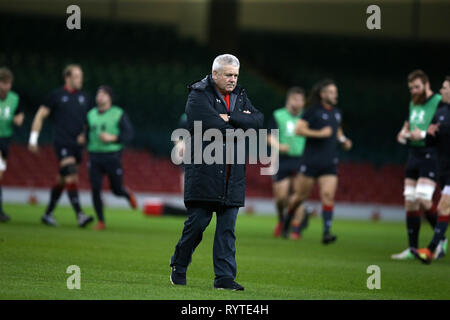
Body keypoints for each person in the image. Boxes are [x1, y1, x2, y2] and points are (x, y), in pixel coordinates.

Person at [169, 54, 263, 291]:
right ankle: (179, 264)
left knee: (227, 229)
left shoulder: (240, 96)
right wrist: (241, 124)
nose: (233, 79)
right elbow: (211, 126)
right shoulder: (198, 95)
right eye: (229, 75)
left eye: (236, 75)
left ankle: (223, 279)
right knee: (198, 223)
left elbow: (258, 121)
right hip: (204, 169)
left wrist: (231, 117)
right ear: (215, 75)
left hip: (233, 173)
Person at [286, 79, 352, 243]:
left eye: (335, 92)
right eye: (330, 92)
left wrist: (343, 140)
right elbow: (298, 129)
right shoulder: (312, 111)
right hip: (311, 161)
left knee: (328, 196)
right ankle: (287, 220)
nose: (334, 95)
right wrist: (319, 133)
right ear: (322, 94)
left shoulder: (336, 112)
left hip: (329, 162)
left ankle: (327, 232)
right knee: (300, 197)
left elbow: (336, 130)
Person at [28, 64, 94, 228]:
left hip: (77, 146)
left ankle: (48, 213)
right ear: (67, 77)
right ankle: (80, 215)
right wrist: (33, 139)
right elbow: (40, 115)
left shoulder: (85, 98)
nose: (81, 79)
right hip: (62, 143)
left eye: (81, 76)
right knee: (71, 174)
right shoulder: (56, 96)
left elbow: (89, 123)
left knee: (62, 180)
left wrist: (84, 135)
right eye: (77, 76)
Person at [392, 70, 442, 260]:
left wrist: (422, 135)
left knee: (423, 197)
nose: (414, 90)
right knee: (410, 200)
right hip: (413, 154)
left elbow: (442, 128)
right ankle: (412, 249)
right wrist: (402, 133)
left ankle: (440, 240)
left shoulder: (438, 101)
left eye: (417, 87)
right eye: (411, 88)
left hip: (431, 154)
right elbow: (408, 124)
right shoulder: (413, 103)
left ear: (427, 84)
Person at [84, 86, 137, 230]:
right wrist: (81, 137)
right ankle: (101, 221)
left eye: (103, 94)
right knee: (95, 188)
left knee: (116, 189)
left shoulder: (118, 113)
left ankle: (126, 193)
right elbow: (86, 132)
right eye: (98, 94)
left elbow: (129, 134)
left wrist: (112, 138)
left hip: (112, 156)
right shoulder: (90, 114)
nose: (100, 97)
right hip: (94, 155)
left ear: (110, 98)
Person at [413, 76, 450, 263]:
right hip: (444, 168)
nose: (441, 91)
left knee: (444, 206)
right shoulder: (441, 111)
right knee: (445, 207)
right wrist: (429, 134)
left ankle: (430, 249)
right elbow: (430, 140)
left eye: (444, 88)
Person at [267, 87, 309, 238]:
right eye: (295, 99)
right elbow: (269, 136)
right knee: (281, 198)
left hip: (301, 159)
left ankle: (296, 228)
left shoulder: (307, 117)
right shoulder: (278, 115)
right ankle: (282, 219)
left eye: (300, 100)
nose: (298, 102)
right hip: (282, 159)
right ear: (289, 100)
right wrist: (279, 146)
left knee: (297, 196)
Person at [0, 67, 24, 222]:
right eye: (3, 83)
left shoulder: (14, 98)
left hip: (5, 140)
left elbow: (19, 114)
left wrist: (18, 120)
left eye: (9, 83)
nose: (6, 87)